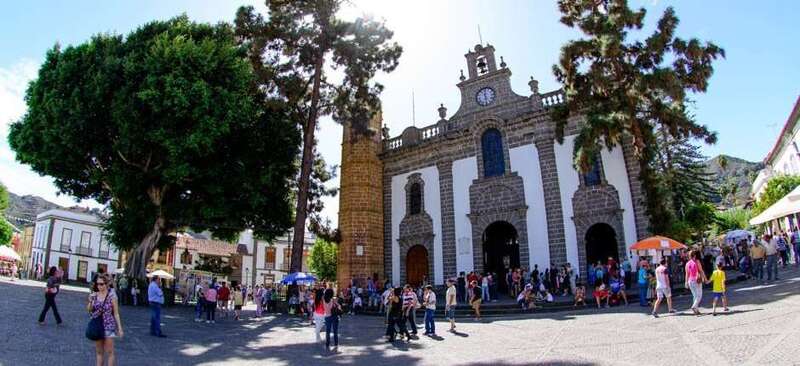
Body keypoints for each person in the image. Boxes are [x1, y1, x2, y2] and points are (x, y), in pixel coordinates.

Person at [87, 273, 123, 366]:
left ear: (106, 284)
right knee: (99, 352)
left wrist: (119, 328)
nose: (99, 286)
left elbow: (116, 313)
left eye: (101, 284)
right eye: (97, 284)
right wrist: (90, 301)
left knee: (110, 352)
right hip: (97, 325)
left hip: (108, 325)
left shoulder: (112, 296)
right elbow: (89, 310)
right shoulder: (95, 295)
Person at [685, 250, 707, 315]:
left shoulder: (687, 263)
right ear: (695, 255)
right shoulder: (697, 261)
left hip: (690, 281)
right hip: (697, 280)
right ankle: (694, 306)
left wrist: (686, 282)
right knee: (699, 295)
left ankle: (696, 310)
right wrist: (705, 278)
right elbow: (701, 271)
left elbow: (687, 274)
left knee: (695, 295)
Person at [323, 288, 341, 352]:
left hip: (327, 316)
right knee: (335, 331)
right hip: (334, 316)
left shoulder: (323, 300)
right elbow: (339, 307)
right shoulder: (333, 300)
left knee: (327, 332)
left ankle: (327, 344)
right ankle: (336, 344)